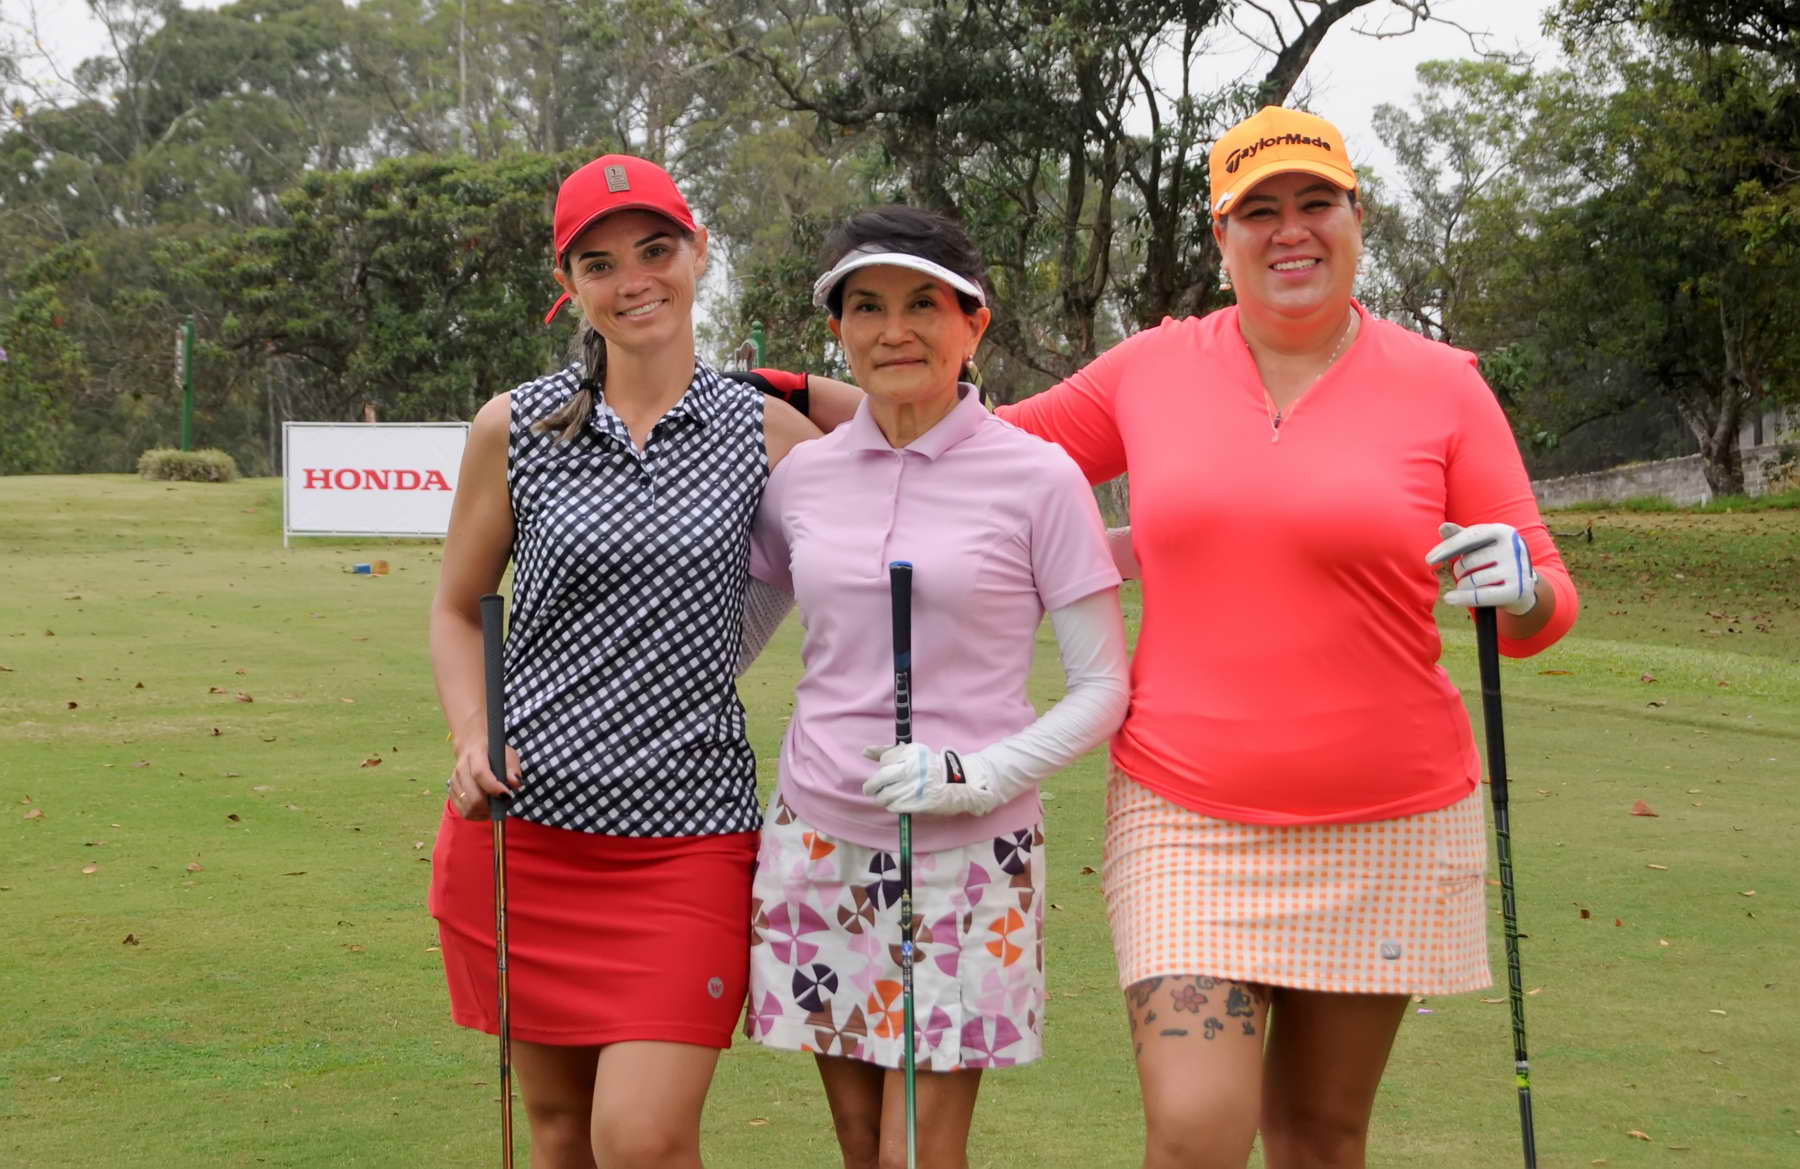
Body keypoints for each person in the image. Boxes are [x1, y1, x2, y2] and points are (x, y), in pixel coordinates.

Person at [753, 107, 1581, 1169]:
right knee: (1194, 1129)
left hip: (1389, 814)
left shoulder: (1442, 384)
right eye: (1259, 211)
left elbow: (1543, 605)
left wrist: (1523, 592)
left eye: (1315, 203)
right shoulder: (1153, 368)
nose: (1290, 230)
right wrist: (779, 392)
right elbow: (967, 434)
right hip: (1186, 809)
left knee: (1321, 1135)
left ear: (1356, 217)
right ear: (1222, 234)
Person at [427, 152, 817, 1169]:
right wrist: (472, 732)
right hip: (526, 825)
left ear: (698, 252)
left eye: (655, 250)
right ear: (568, 285)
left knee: (641, 1137)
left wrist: (792, 380)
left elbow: (926, 428)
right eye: (599, 264)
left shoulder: (770, 432)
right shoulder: (516, 427)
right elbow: (459, 609)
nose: (633, 280)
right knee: (560, 1132)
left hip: (687, 838)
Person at [741, 206, 1131, 1169]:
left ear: (973, 323)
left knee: (916, 1149)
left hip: (970, 852)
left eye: (924, 304)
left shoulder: (1039, 478)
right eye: (866, 307)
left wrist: (978, 773)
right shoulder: (802, 479)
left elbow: (1101, 685)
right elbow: (736, 636)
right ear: (839, 329)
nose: (894, 330)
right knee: (858, 1142)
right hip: (817, 838)